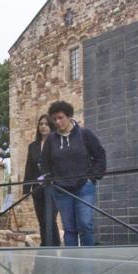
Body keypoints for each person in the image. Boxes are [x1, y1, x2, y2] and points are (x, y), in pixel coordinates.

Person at [39, 101, 107, 247]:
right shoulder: (51, 140)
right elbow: (44, 163)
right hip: (62, 190)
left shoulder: (84, 134)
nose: (57, 122)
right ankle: (73, 266)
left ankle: (88, 264)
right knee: (69, 229)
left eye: (60, 117)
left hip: (84, 187)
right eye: (54, 119)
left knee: (85, 224)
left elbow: (100, 155)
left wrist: (93, 177)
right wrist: (50, 179)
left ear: (69, 116)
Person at [22, 114, 60, 246]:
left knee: (50, 218)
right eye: (41, 124)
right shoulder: (33, 146)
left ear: (51, 126)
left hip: (53, 188)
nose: (43, 127)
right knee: (42, 220)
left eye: (46, 124)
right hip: (37, 189)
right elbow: (29, 168)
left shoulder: (57, 143)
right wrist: (26, 189)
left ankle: (53, 245)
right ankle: (44, 245)